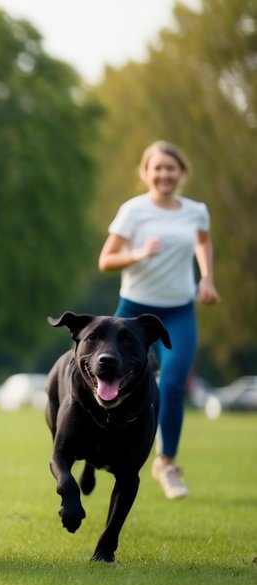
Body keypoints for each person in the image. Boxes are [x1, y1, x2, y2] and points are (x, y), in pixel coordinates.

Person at [98, 140, 220, 500]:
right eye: (158, 168)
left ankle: (166, 463)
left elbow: (203, 241)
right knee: (108, 379)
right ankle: (98, 448)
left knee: (173, 383)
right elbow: (106, 260)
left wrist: (207, 277)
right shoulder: (133, 211)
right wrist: (138, 253)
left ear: (181, 173)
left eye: (171, 168)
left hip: (179, 310)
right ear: (146, 172)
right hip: (133, 311)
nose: (164, 174)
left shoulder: (196, 211)